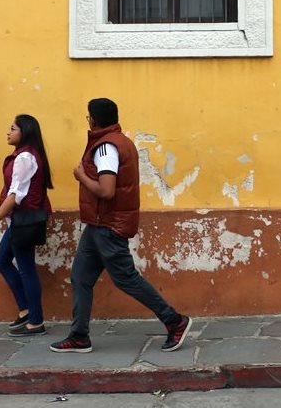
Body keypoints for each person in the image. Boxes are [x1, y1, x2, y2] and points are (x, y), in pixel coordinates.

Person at [50, 97, 191, 353]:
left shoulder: (106, 148)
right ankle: (79, 336)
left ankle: (175, 321)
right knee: (80, 277)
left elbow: (106, 191)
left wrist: (81, 176)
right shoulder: (120, 141)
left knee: (127, 279)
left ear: (93, 119)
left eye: (88, 117)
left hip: (108, 226)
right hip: (97, 225)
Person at [0, 114, 54, 336]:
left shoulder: (24, 158)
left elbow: (15, 197)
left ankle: (36, 320)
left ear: (25, 132)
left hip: (24, 220)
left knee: (26, 268)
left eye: (13, 128)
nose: (8, 132)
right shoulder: (25, 156)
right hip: (20, 220)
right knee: (2, 260)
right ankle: (25, 311)